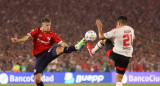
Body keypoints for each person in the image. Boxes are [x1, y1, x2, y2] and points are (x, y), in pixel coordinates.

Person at [11, 18, 86, 86]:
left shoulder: (52, 34)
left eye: (49, 25)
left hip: (48, 52)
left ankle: (76, 47)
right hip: (39, 57)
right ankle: (75, 48)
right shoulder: (36, 31)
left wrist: (71, 49)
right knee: (37, 79)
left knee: (59, 49)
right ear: (42, 25)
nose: (48, 27)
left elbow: (62, 43)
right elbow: (26, 37)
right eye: (47, 25)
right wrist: (18, 40)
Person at [87, 16, 135, 86]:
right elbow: (132, 38)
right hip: (127, 56)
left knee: (104, 40)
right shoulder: (131, 29)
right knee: (119, 80)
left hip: (116, 54)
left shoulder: (116, 30)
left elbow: (101, 36)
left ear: (118, 23)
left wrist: (99, 27)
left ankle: (92, 51)